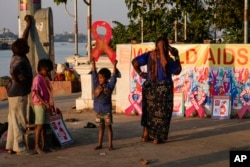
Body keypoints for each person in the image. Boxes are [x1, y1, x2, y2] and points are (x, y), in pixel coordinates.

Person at [131, 35, 182, 144]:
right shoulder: (168, 60)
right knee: (162, 113)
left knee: (148, 112)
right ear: (167, 47)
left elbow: (135, 62)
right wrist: (177, 56)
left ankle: (145, 136)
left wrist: (140, 73)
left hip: (150, 87)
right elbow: (177, 70)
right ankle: (157, 138)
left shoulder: (149, 55)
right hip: (164, 89)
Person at [5, 15, 34, 155]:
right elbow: (13, 71)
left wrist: (28, 25)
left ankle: (10, 146)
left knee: (12, 120)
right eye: (27, 47)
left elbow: (24, 38)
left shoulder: (15, 56)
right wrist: (15, 78)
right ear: (23, 50)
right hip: (19, 93)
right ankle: (20, 147)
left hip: (12, 93)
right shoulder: (20, 61)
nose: (28, 46)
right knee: (20, 121)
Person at [91, 59, 118, 151]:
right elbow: (94, 74)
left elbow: (114, 77)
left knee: (108, 127)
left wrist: (114, 65)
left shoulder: (109, 86)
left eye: (101, 78)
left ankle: (110, 145)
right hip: (98, 110)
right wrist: (93, 63)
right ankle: (100, 144)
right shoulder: (96, 84)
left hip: (106, 110)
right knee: (101, 127)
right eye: (99, 78)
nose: (99, 79)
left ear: (106, 78)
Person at [32, 59, 54, 154]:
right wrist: (45, 103)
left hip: (46, 104)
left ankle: (45, 145)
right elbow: (36, 93)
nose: (48, 72)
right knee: (39, 125)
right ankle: (37, 146)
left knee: (45, 126)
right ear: (42, 68)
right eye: (47, 70)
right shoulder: (37, 78)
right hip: (39, 105)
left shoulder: (45, 78)